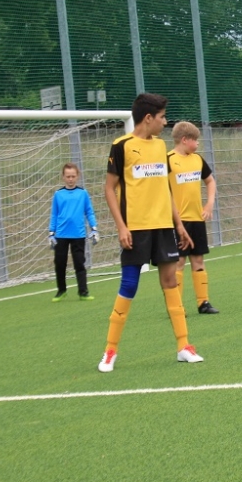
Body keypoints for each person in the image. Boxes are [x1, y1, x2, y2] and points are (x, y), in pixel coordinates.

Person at [97, 93, 203, 372]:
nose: (165, 122)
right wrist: (121, 226)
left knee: (170, 282)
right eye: (162, 117)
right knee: (129, 284)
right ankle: (110, 350)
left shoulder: (160, 147)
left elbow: (165, 188)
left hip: (164, 228)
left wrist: (178, 224)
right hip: (136, 229)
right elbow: (109, 189)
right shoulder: (121, 146)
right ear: (148, 118)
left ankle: (184, 346)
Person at [167, 121, 219, 315]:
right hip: (177, 222)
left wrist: (209, 203)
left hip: (197, 219)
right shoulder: (168, 160)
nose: (197, 143)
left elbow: (210, 181)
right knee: (178, 262)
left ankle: (203, 302)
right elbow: (162, 190)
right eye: (195, 140)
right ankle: (177, 305)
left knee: (198, 260)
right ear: (184, 139)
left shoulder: (198, 159)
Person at [48, 163, 98, 301]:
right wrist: (51, 233)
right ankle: (61, 291)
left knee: (79, 263)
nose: (70, 179)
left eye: (73, 176)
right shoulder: (58, 194)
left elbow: (89, 212)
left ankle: (83, 292)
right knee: (60, 264)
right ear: (63, 177)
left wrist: (94, 228)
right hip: (61, 235)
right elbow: (54, 214)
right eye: (68, 176)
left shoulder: (83, 193)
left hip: (78, 234)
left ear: (77, 176)